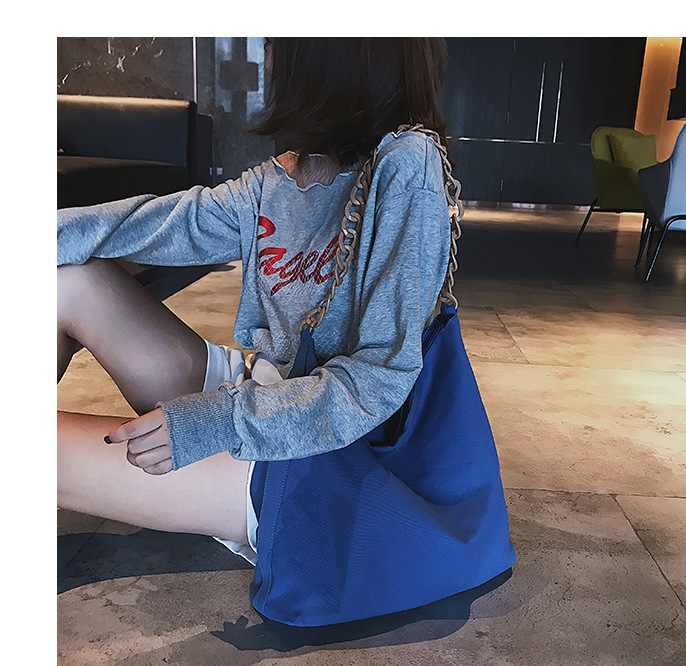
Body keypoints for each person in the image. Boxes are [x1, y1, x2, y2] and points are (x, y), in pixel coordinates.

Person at [57, 38, 454, 567]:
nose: (266, 49)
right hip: (260, 395)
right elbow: (175, 222)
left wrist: (218, 422)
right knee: (67, 280)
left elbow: (379, 380)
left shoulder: (407, 167)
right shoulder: (288, 172)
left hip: (321, 458)